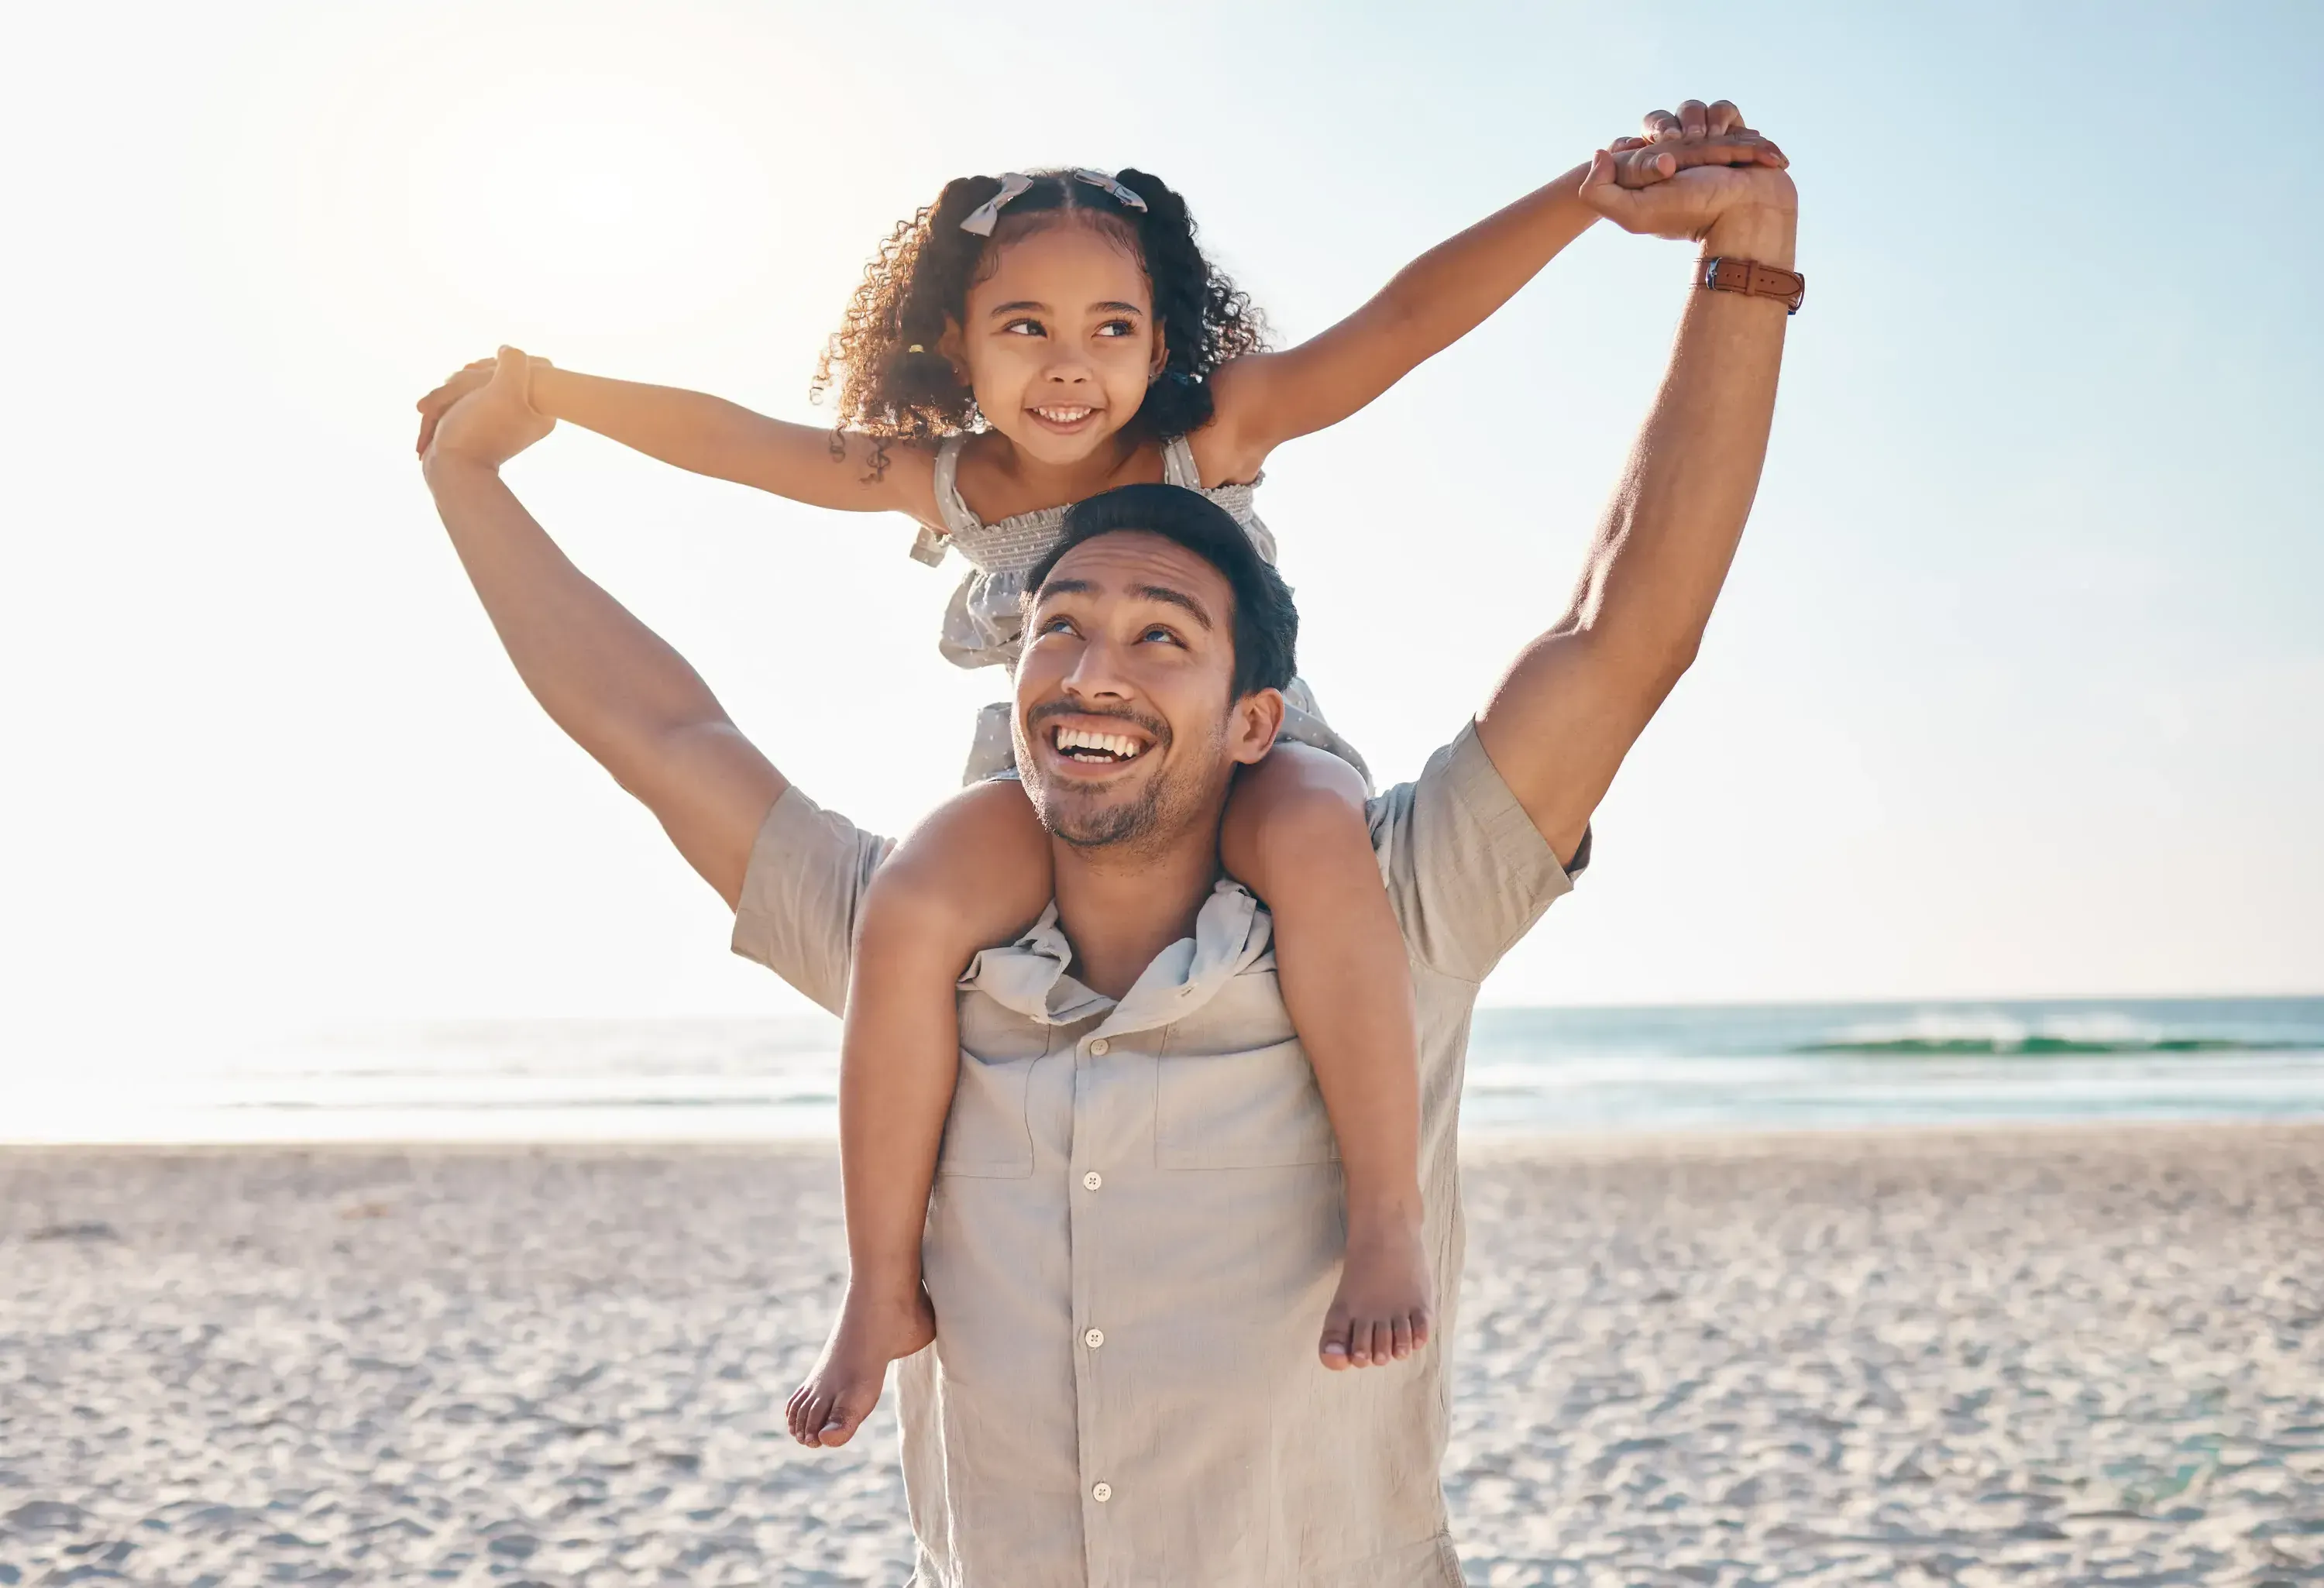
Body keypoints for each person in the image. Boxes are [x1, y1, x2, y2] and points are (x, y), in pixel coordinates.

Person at [417, 97, 1798, 1584]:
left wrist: (1645, 221)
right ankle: (877, 1283)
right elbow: (667, 717)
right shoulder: (924, 926)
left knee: (1315, 833)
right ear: (957, 345)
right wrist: (508, 431)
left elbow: (1601, 603)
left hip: (1301, 819)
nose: (1097, 667)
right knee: (930, 882)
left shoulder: (1387, 885)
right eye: (1058, 626)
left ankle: (1382, 1212)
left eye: (1162, 632)